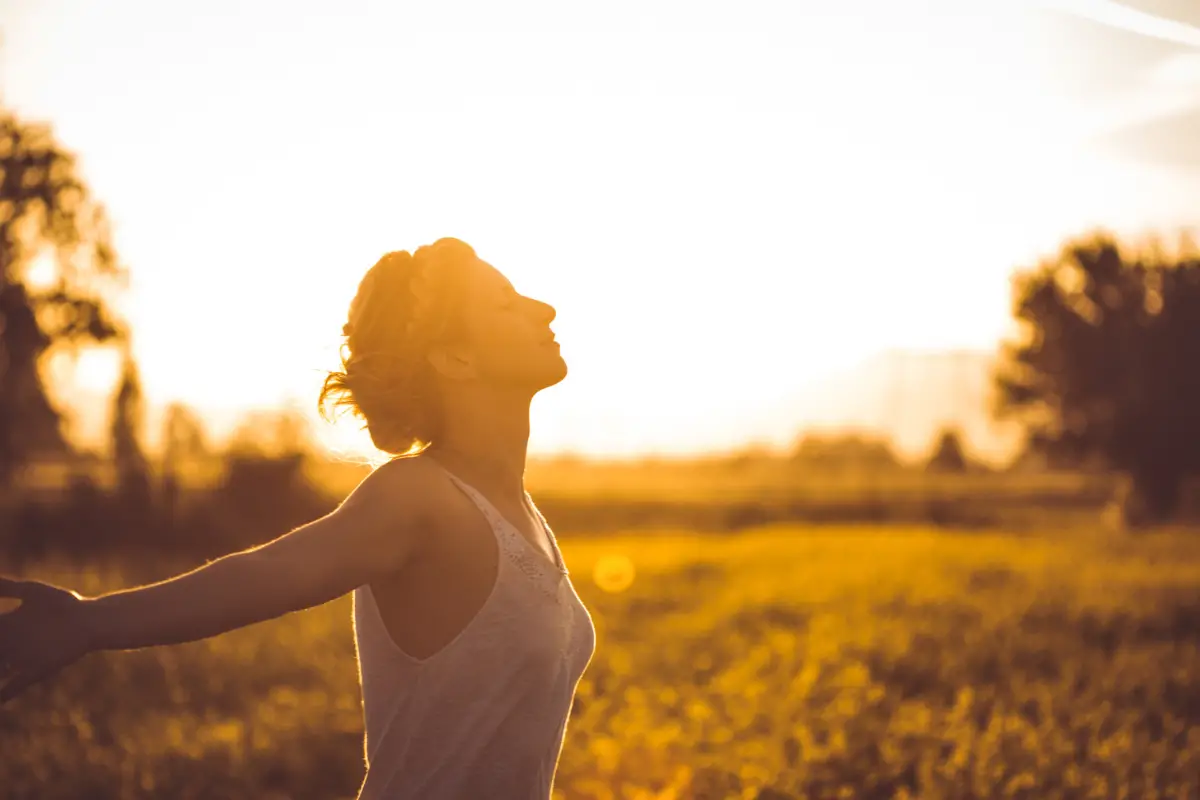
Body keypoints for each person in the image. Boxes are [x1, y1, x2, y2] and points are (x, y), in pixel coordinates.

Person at [0, 237, 596, 799]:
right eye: (506, 303)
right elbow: (265, 574)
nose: (542, 309)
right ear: (456, 357)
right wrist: (89, 622)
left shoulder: (521, 513)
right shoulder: (418, 497)